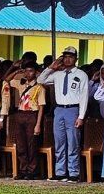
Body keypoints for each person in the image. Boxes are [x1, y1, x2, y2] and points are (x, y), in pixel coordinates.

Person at [38, 47, 89, 182]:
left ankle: (73, 172)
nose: (67, 59)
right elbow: (40, 80)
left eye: (70, 57)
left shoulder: (81, 75)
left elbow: (84, 96)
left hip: (73, 109)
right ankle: (60, 172)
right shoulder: (57, 74)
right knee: (59, 141)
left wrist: (81, 116)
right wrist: (51, 67)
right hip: (59, 109)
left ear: (76, 59)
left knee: (73, 142)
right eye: (65, 56)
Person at [7, 60, 44, 180]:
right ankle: (23, 169)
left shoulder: (39, 87)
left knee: (31, 144)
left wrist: (38, 124)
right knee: (21, 144)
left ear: (36, 72)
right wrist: (17, 71)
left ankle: (32, 170)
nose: (28, 73)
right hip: (20, 114)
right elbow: (6, 80)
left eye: (31, 71)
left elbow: (41, 107)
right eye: (26, 71)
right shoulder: (21, 84)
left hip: (32, 114)